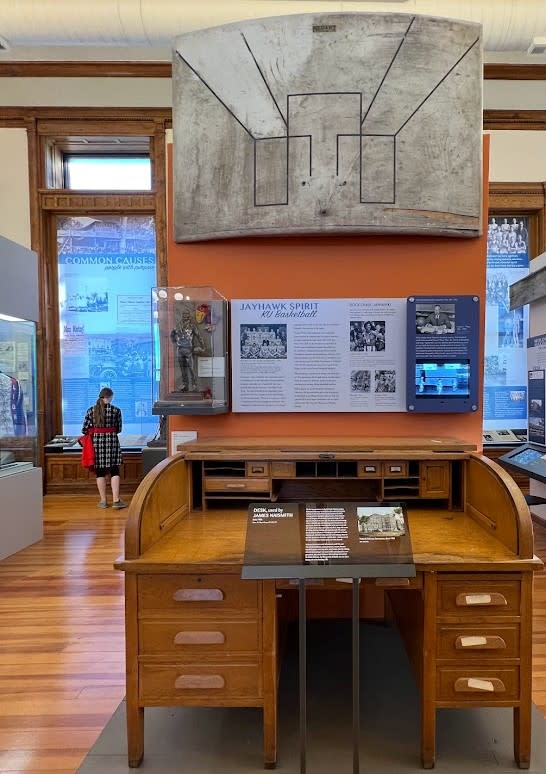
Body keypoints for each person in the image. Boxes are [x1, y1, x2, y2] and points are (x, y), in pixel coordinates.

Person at [81, 387, 126, 509]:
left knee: (100, 472)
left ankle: (103, 501)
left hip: (97, 443)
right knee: (114, 471)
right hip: (112, 442)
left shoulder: (91, 410)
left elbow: (84, 429)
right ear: (110, 397)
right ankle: (116, 501)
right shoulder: (116, 410)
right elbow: (119, 429)